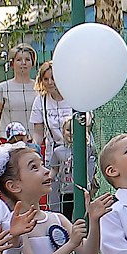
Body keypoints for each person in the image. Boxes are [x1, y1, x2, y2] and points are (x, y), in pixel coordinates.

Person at [30, 61, 77, 216]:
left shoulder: (74, 97)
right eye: (46, 79)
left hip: (74, 152)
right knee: (55, 192)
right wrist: (35, 146)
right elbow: (38, 131)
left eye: (53, 78)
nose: (50, 82)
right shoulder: (41, 100)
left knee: (75, 190)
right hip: (53, 153)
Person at [0, 41, 40, 144]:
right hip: (8, 141)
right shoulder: (2, 88)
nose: (23, 63)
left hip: (33, 141)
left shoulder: (39, 88)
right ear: (12, 63)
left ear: (32, 63)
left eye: (27, 60)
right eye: (19, 60)